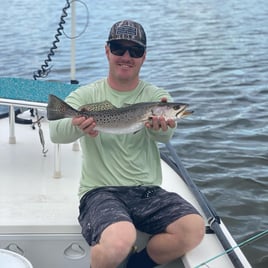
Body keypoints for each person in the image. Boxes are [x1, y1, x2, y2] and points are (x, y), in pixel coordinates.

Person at [49, 20, 205, 268]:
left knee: (194, 228)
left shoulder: (157, 97)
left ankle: (136, 266)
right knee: (120, 240)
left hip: (147, 190)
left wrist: (161, 127)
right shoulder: (86, 95)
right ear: (107, 50)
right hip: (100, 191)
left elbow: (164, 137)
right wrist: (77, 125)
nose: (126, 56)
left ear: (144, 56)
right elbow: (56, 133)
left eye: (135, 51)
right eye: (119, 48)